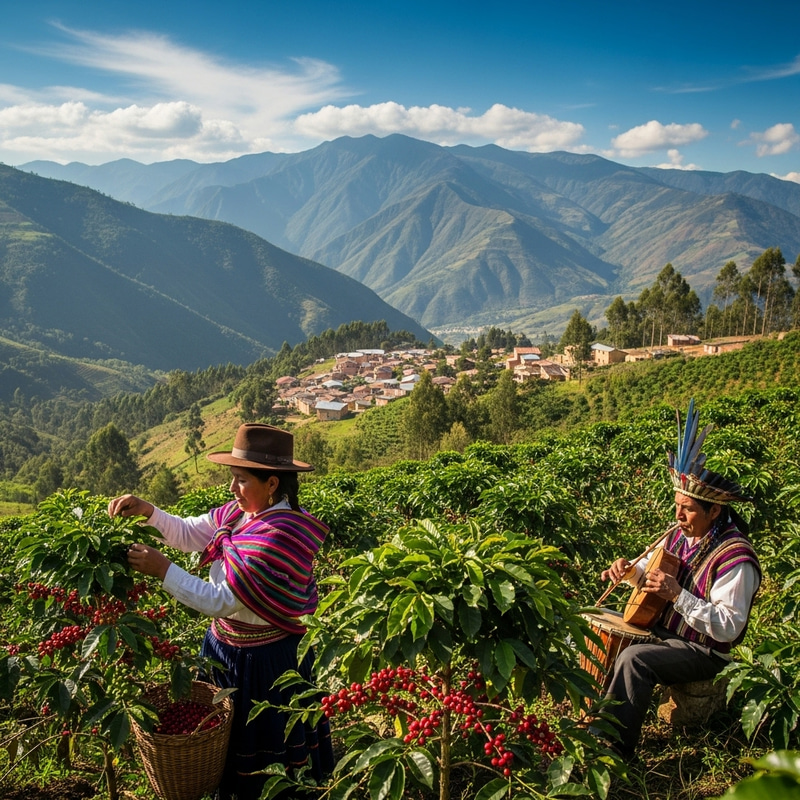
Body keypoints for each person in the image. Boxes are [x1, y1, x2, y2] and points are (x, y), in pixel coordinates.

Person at [108, 423, 335, 800]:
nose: (232, 489)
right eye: (233, 478)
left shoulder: (277, 535)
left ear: (273, 484)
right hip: (223, 651)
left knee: (263, 748)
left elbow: (220, 600)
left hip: (266, 663)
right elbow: (187, 532)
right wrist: (148, 511)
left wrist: (164, 570)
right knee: (220, 745)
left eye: (241, 480)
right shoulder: (238, 515)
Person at [598, 400, 761, 761]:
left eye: (687, 509)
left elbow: (728, 628)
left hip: (705, 652)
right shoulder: (679, 536)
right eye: (677, 505)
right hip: (668, 635)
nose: (678, 515)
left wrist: (679, 597)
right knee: (609, 636)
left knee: (635, 660)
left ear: (714, 511)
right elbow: (657, 578)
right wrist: (631, 574)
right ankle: (596, 724)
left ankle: (615, 750)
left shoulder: (736, 558)